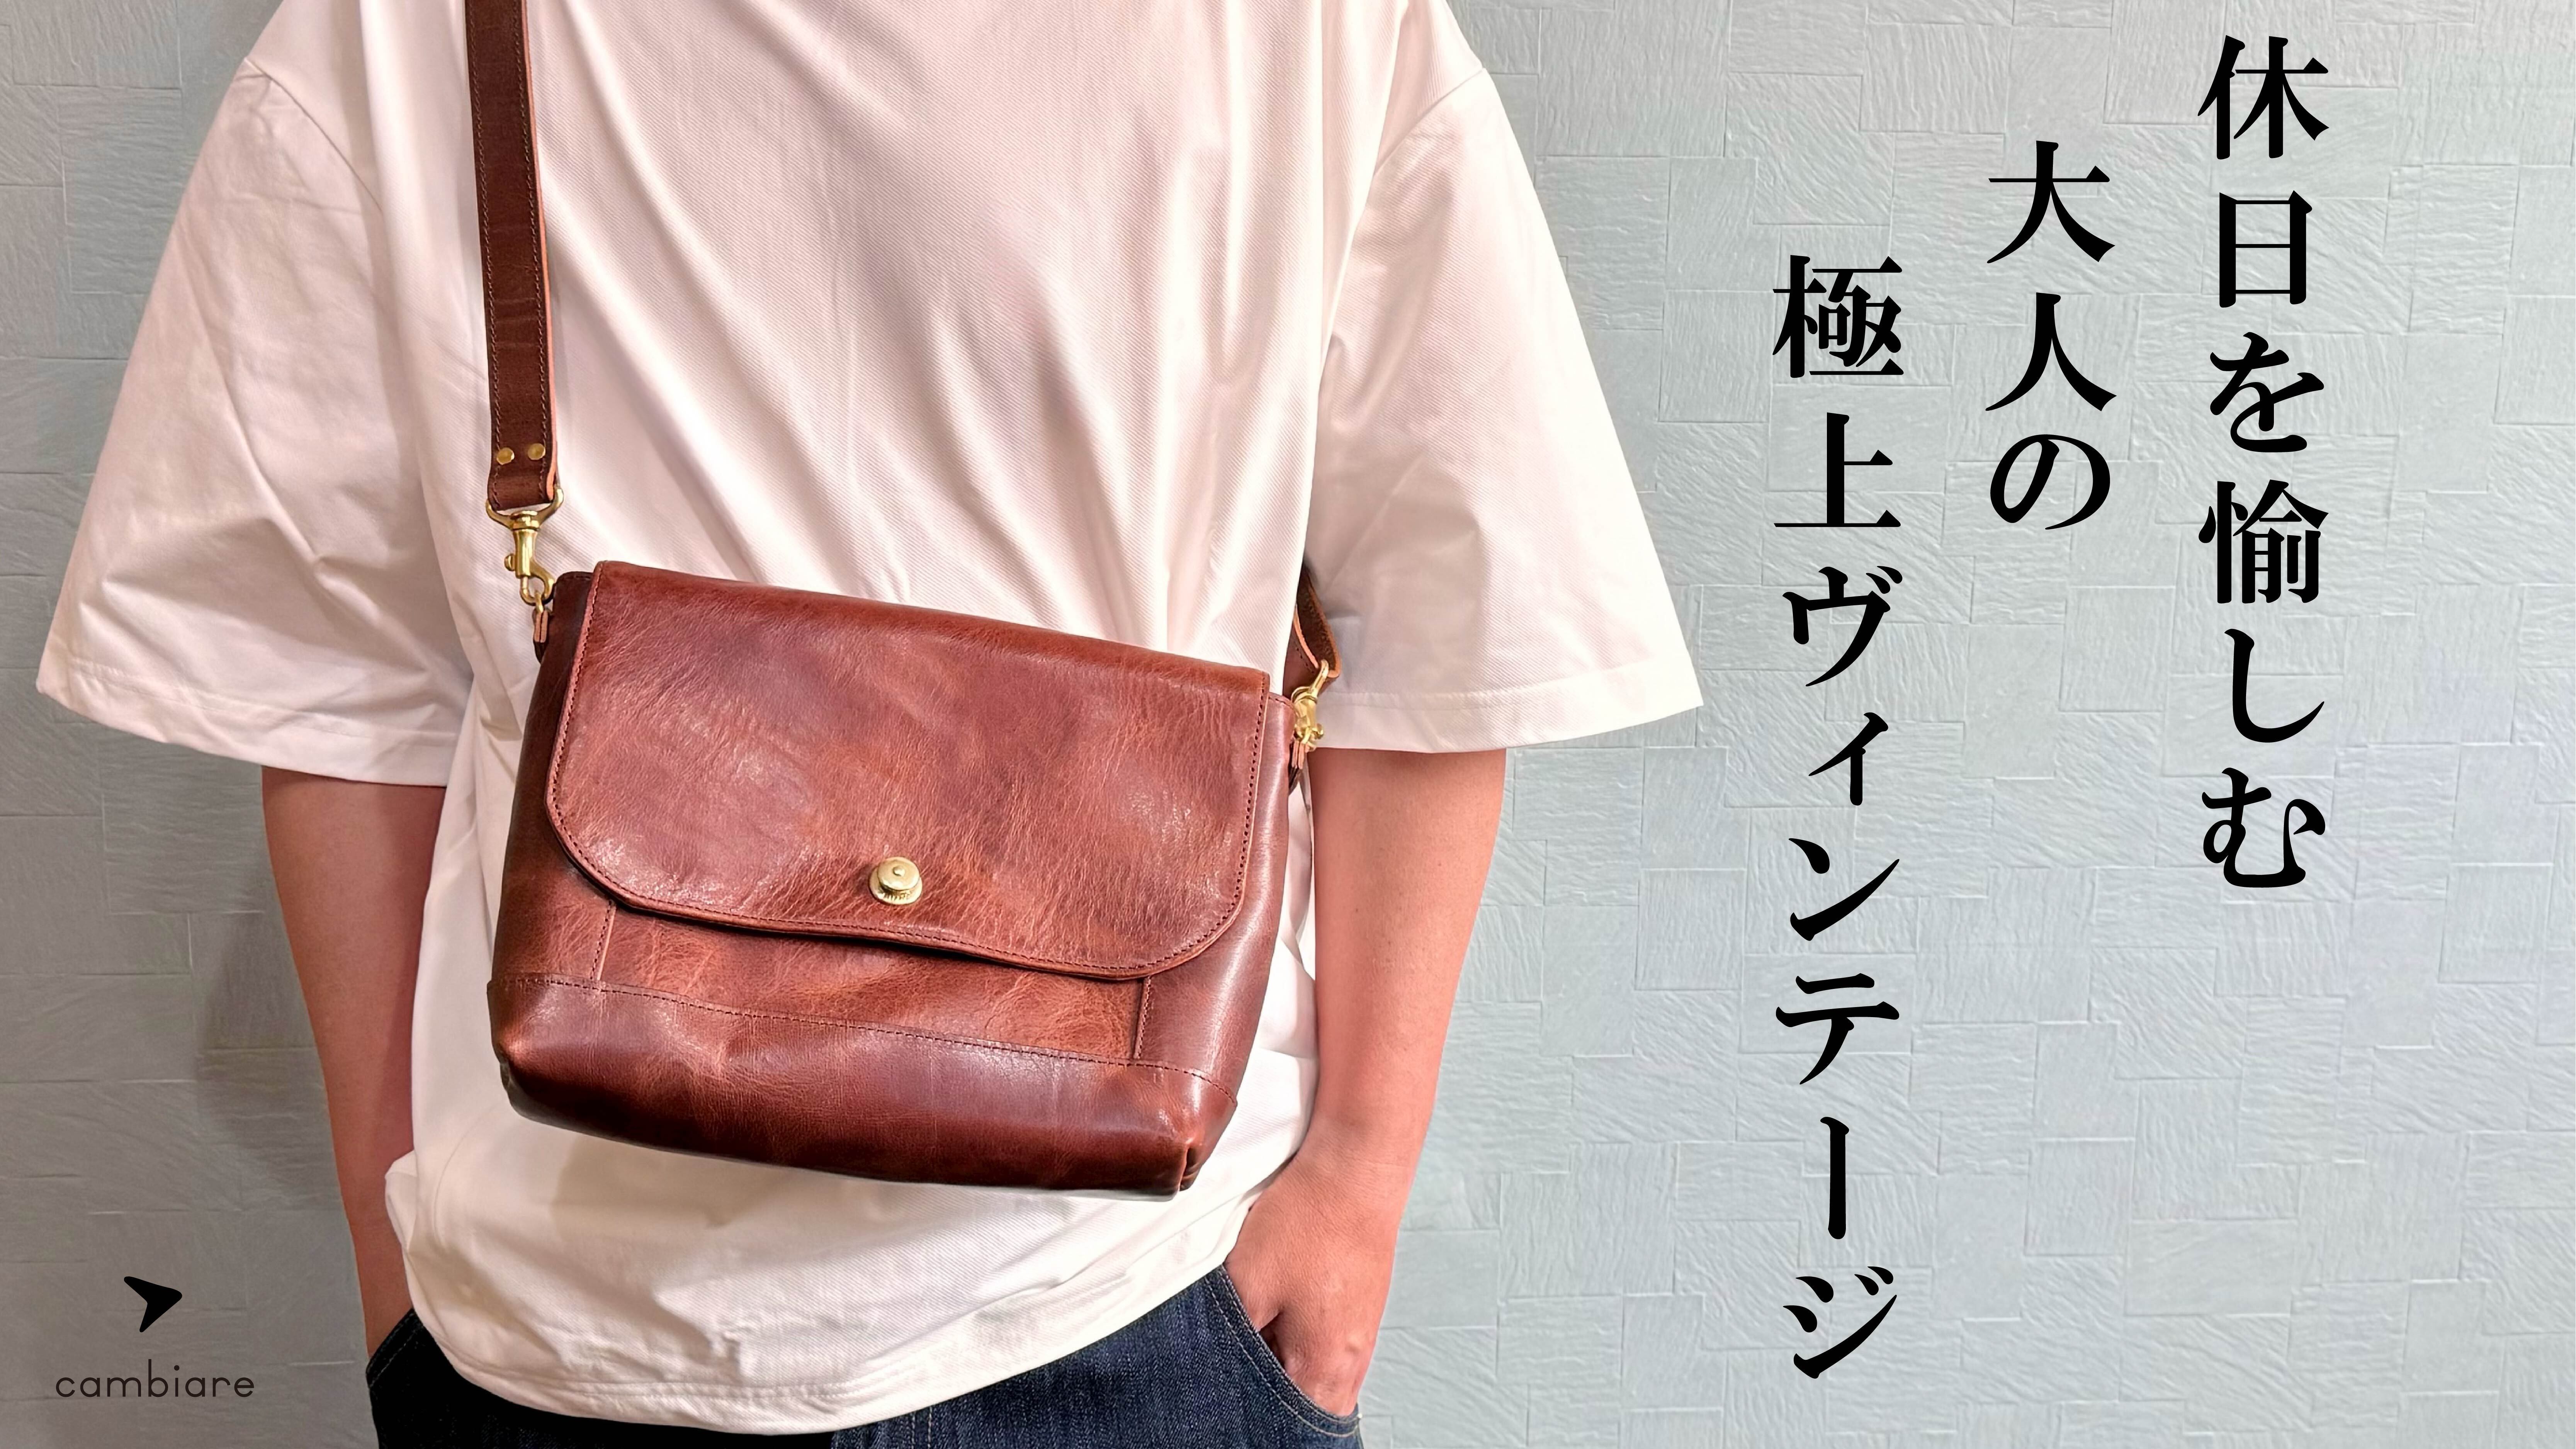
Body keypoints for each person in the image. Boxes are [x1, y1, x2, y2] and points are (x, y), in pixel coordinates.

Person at [39, 0, 1699, 1443]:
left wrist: (1355, 1187)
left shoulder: (1311, 24)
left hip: (1138, 1284)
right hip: (554, 1323)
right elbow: (338, 687)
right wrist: (391, 1235)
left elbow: (1445, 615)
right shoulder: (401, 30)